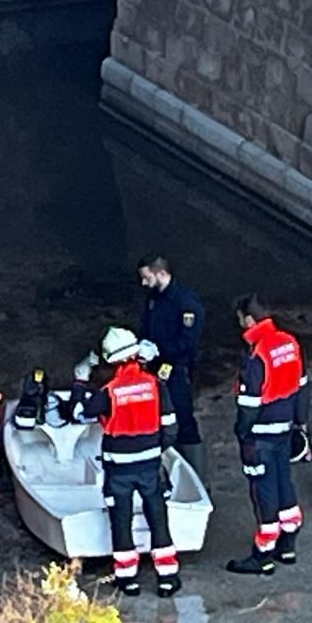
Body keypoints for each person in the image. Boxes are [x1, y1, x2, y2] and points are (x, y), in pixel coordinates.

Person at [73, 328, 181, 597]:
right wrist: (155, 450)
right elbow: (170, 427)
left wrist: (80, 382)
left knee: (120, 521)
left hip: (118, 469)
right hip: (149, 466)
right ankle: (167, 578)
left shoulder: (109, 392)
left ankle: (127, 579)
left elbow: (78, 414)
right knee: (157, 516)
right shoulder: (155, 384)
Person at [227, 295, 307, 575]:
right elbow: (301, 387)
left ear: (249, 320)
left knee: (263, 491)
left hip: (260, 434)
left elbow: (249, 404)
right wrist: (300, 423)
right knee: (284, 482)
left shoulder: (255, 354)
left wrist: (242, 432)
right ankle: (288, 544)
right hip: (284, 428)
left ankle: (263, 555)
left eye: (240, 320)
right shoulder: (289, 342)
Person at [137, 255, 208, 487]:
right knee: (158, 419)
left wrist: (160, 349)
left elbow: (188, 341)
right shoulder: (154, 298)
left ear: (160, 273)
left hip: (177, 369)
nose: (144, 283)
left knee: (184, 419)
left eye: (147, 278)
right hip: (155, 368)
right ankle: (168, 474)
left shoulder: (186, 302)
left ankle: (198, 480)